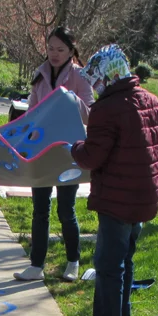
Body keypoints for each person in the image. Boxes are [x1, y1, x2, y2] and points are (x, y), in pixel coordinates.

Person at [63, 45, 158, 316]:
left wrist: (74, 147)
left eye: (95, 80)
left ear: (106, 77)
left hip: (117, 198)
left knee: (108, 267)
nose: (94, 87)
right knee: (126, 260)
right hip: (144, 195)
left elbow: (93, 156)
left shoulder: (107, 108)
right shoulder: (152, 101)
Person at [13, 26, 95, 283]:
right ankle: (36, 264)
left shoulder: (80, 76)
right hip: (41, 150)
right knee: (40, 209)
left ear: (72, 51)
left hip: (70, 151)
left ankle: (73, 261)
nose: (54, 54)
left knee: (66, 209)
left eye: (60, 50)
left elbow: (91, 115)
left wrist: (71, 99)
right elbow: (32, 112)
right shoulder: (40, 74)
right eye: (50, 49)